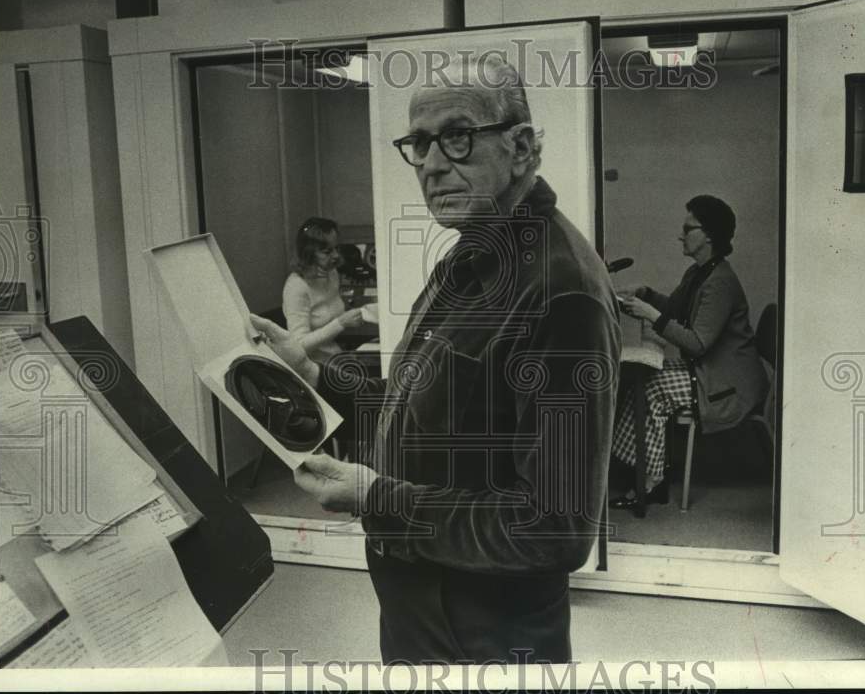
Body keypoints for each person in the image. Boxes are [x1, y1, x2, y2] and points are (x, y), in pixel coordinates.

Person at [251, 54, 621, 664]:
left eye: (457, 137)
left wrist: (379, 498)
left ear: (521, 148)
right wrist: (315, 372)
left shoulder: (559, 291)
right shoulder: (471, 250)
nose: (430, 164)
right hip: (422, 611)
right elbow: (425, 398)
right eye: (419, 143)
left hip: (484, 637)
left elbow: (553, 530)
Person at [609, 195, 768, 511]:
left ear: (708, 235)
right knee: (640, 382)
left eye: (687, 229)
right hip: (714, 373)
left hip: (728, 386)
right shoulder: (700, 272)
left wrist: (651, 315)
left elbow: (697, 343)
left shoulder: (720, 282)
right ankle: (646, 470)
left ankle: (652, 480)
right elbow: (674, 308)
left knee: (652, 389)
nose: (680, 235)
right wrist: (646, 295)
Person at [282, 217, 364, 364]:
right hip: (310, 366)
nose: (336, 255)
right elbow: (299, 345)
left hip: (332, 357)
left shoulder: (331, 274)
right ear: (308, 254)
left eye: (336, 248)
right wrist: (341, 323)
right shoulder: (296, 286)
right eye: (327, 251)